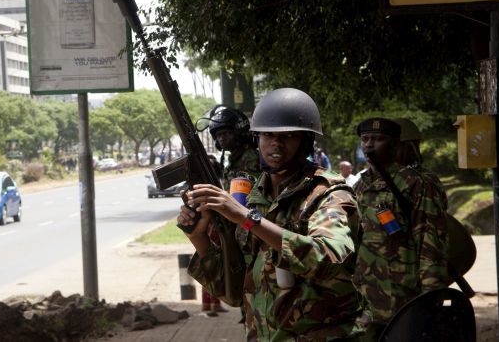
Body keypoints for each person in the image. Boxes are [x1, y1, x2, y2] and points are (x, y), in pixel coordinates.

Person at [180, 88, 361, 340]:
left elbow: (329, 259)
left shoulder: (330, 193)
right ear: (257, 139)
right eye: (267, 135)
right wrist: (199, 237)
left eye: (288, 136)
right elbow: (234, 292)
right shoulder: (255, 194)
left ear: (306, 142)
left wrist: (246, 218)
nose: (276, 143)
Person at [352, 118, 448, 340]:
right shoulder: (359, 186)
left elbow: (431, 244)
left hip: (403, 298)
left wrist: (431, 299)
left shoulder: (416, 184)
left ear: (395, 145)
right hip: (364, 302)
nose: (369, 145)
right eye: (365, 139)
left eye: (378, 139)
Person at [204, 105, 261, 316]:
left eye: (226, 133)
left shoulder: (249, 158)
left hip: (250, 230)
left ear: (238, 132)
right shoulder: (235, 160)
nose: (222, 140)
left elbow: (247, 201)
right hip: (241, 229)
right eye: (218, 135)